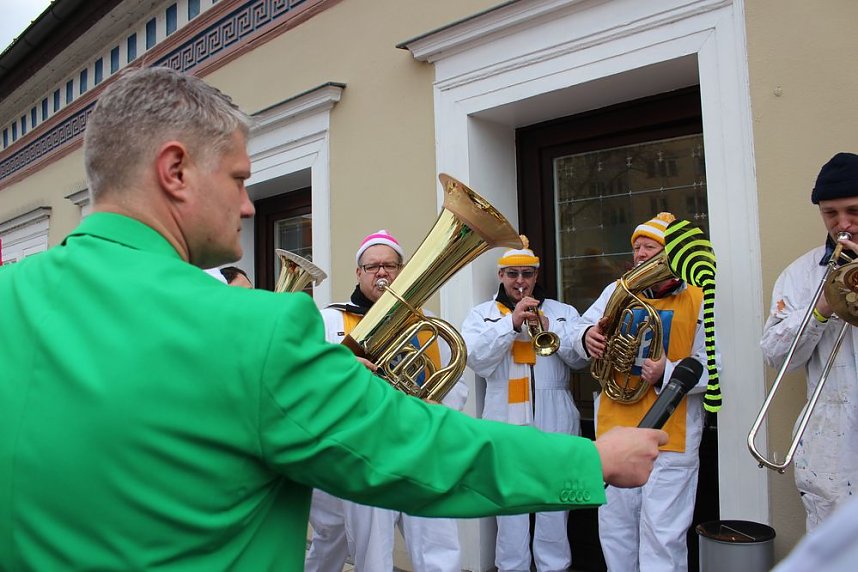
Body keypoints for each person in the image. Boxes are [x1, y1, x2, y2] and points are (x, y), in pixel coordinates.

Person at [0, 66, 667, 570]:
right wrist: (590, 460)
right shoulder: (260, 330)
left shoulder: (12, 298)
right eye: (237, 179)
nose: (250, 207)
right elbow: (422, 450)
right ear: (174, 170)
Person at [306, 229, 466, 571]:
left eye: (390, 266)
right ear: (358, 273)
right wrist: (341, 369)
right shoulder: (329, 320)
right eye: (373, 266)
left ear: (402, 270)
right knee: (372, 555)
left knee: (439, 548)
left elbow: (453, 383)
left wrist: (438, 411)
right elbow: (308, 379)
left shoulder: (424, 325)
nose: (382, 273)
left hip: (419, 451)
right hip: (364, 453)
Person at [569, 212, 721, 572]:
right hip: (616, 430)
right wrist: (585, 336)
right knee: (615, 528)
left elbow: (714, 366)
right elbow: (578, 328)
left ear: (670, 253)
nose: (639, 254)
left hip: (671, 434)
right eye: (636, 247)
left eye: (649, 246)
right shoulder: (617, 289)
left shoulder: (700, 297)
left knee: (662, 534)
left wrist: (665, 372)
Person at [461, 239, 588, 572]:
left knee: (554, 504)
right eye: (513, 274)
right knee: (511, 507)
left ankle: (554, 567)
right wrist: (511, 324)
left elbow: (579, 361)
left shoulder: (563, 312)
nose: (520, 282)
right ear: (501, 275)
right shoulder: (483, 315)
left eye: (527, 274)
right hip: (504, 417)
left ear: (536, 275)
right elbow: (476, 360)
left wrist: (552, 330)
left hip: (555, 414)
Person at [760, 152, 858, 531]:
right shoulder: (800, 274)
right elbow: (776, 356)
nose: (842, 224)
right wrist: (821, 306)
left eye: (852, 210)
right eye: (830, 213)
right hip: (832, 442)